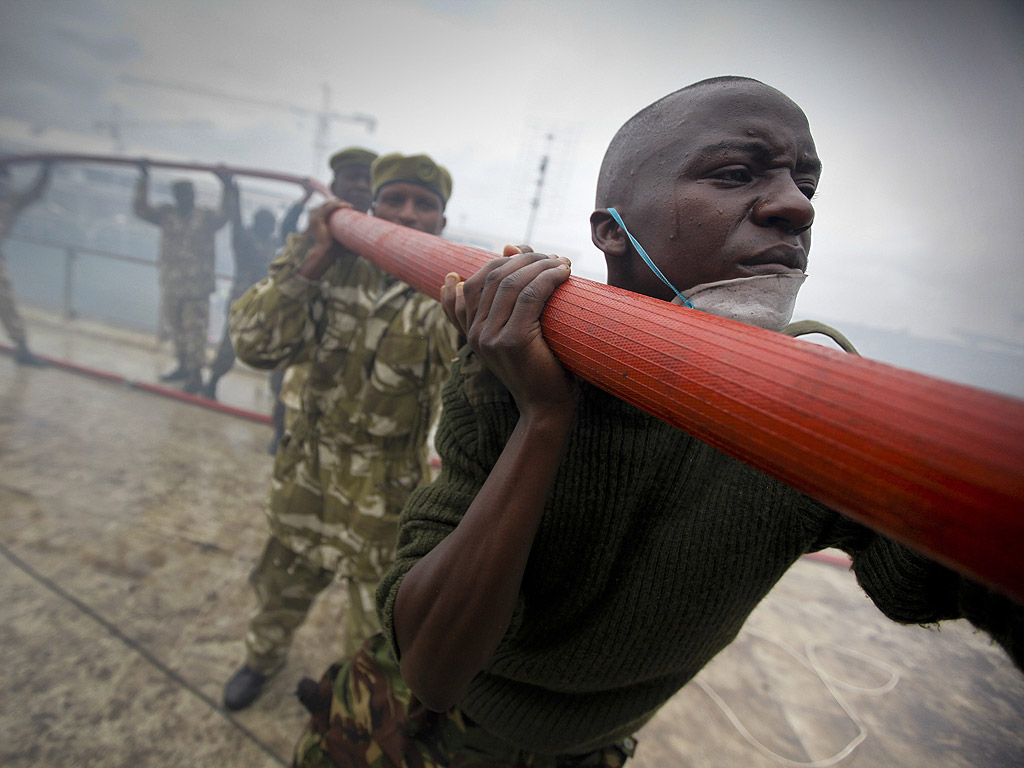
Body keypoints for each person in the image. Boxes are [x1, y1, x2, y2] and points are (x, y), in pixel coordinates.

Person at [291, 77, 1022, 767]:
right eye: (736, 174)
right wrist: (545, 416)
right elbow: (434, 668)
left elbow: (943, 569)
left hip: (592, 748)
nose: (797, 208)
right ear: (612, 231)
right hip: (421, 718)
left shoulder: (818, 412)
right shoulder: (517, 364)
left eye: (806, 182)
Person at [223, 152, 459, 711]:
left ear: (442, 222)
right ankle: (261, 659)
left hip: (382, 490)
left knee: (374, 627)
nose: (408, 214)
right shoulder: (328, 260)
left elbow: (471, 376)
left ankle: (352, 710)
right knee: (279, 587)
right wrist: (315, 256)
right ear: (373, 206)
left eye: (424, 204)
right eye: (395, 199)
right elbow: (255, 346)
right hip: (307, 469)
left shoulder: (442, 290)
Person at [268, 147, 379, 454]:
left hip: (346, 356)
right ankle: (280, 436)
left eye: (367, 180)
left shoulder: (381, 241)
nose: (359, 185)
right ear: (334, 184)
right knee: (282, 389)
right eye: (351, 177)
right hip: (301, 339)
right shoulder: (313, 233)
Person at [133, 162, 231, 393]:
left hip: (197, 289)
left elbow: (225, 215)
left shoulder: (205, 217)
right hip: (172, 284)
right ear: (175, 196)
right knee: (176, 330)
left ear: (193, 196)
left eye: (187, 194)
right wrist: (143, 179)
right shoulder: (166, 215)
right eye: (180, 194)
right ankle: (183, 367)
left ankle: (195, 375)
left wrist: (226, 186)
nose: (184, 197)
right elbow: (141, 210)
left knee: (195, 332)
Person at [200, 181, 280, 400]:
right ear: (258, 224)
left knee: (277, 345)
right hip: (243, 302)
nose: (271, 227)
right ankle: (211, 384)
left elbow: (290, 230)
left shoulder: (272, 244)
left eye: (272, 223)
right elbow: (236, 220)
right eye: (267, 223)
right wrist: (234, 192)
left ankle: (276, 394)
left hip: (268, 303)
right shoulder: (245, 240)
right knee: (230, 345)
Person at [0, 162, 52, 365]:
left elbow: (35, 192)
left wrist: (46, 171)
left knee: (6, 302)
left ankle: (22, 348)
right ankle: (22, 347)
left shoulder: (12, 202)